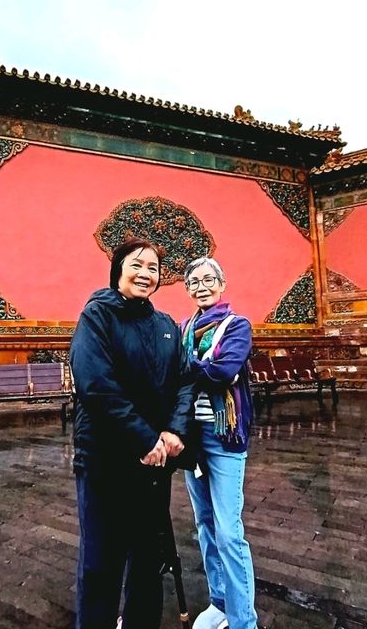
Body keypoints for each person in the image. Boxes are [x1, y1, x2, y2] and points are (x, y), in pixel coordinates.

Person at [70, 237, 195, 629]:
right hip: (106, 459)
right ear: (118, 270)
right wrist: (144, 439)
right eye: (137, 265)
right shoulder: (97, 316)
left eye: (154, 268)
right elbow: (96, 384)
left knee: (147, 559)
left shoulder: (165, 326)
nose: (146, 274)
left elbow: (185, 380)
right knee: (101, 561)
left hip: (154, 464)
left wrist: (175, 430)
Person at [180, 256, 258, 629]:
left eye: (208, 279)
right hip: (191, 439)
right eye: (193, 282)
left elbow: (224, 371)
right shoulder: (183, 328)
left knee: (229, 531)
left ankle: (244, 620)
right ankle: (220, 602)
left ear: (222, 284)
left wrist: (188, 368)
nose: (201, 286)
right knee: (205, 525)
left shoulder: (237, 326)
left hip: (224, 437)